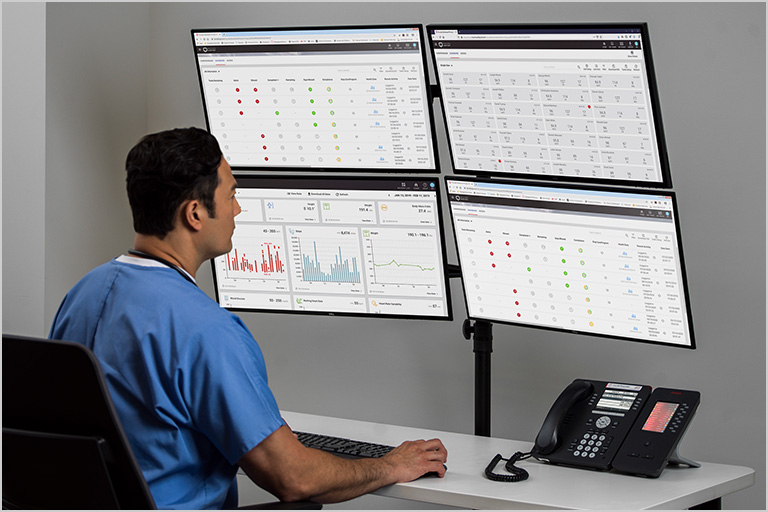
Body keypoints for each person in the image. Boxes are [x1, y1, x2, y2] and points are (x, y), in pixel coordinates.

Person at [49, 127, 447, 509]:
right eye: (231, 195)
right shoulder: (206, 329)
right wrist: (391, 465)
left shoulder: (83, 295)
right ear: (195, 214)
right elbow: (295, 479)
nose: (237, 209)